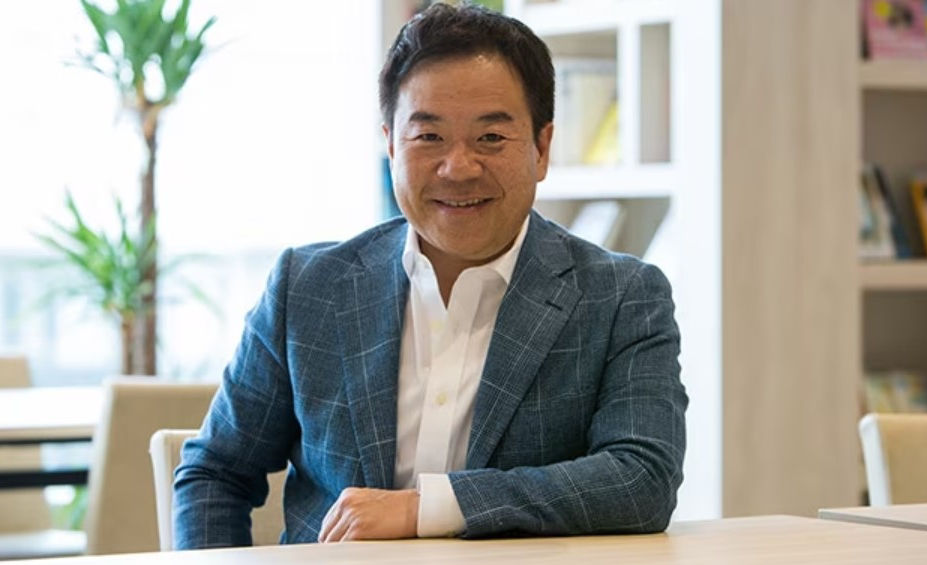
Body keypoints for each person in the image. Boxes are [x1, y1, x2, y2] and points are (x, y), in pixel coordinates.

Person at [174, 3, 686, 547]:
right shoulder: (307, 287)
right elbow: (217, 473)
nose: (458, 167)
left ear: (541, 148)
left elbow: (641, 478)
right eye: (428, 137)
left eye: (491, 138)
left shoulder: (622, 296)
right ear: (391, 143)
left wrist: (429, 508)